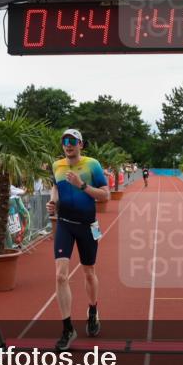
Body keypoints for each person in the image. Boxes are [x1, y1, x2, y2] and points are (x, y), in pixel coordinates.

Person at [45, 129, 109, 351]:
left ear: (81, 144)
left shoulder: (92, 165)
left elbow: (106, 195)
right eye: (64, 141)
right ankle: (67, 329)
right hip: (64, 224)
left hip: (88, 226)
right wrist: (53, 202)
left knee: (89, 272)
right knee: (60, 275)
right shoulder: (57, 165)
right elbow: (55, 187)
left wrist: (82, 185)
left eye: (72, 141)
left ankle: (92, 310)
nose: (68, 144)